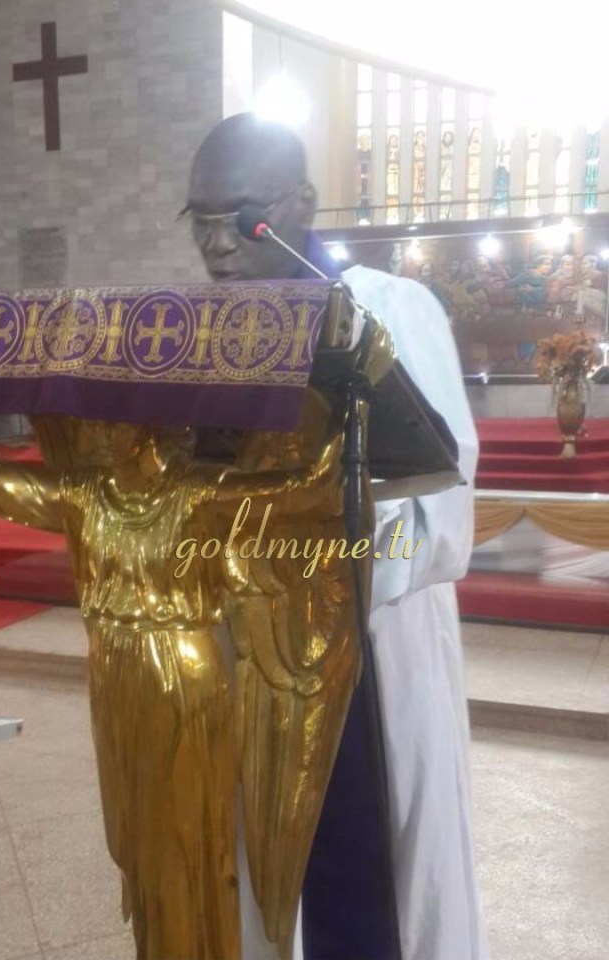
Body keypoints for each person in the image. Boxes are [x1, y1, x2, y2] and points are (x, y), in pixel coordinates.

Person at [185, 112, 487, 960]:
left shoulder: (388, 308)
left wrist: (317, 558)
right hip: (251, 648)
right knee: (263, 864)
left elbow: (443, 500)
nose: (217, 243)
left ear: (304, 203)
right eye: (200, 220)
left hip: (368, 644)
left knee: (370, 871)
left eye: (242, 218)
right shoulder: (204, 333)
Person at [0, 410, 342, 960]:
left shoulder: (196, 495)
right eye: (91, 421)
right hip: (114, 670)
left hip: (184, 679)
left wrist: (346, 416)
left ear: (152, 425)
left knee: (188, 837)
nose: (94, 431)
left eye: (112, 419)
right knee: (137, 839)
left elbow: (305, 493)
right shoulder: (83, 495)